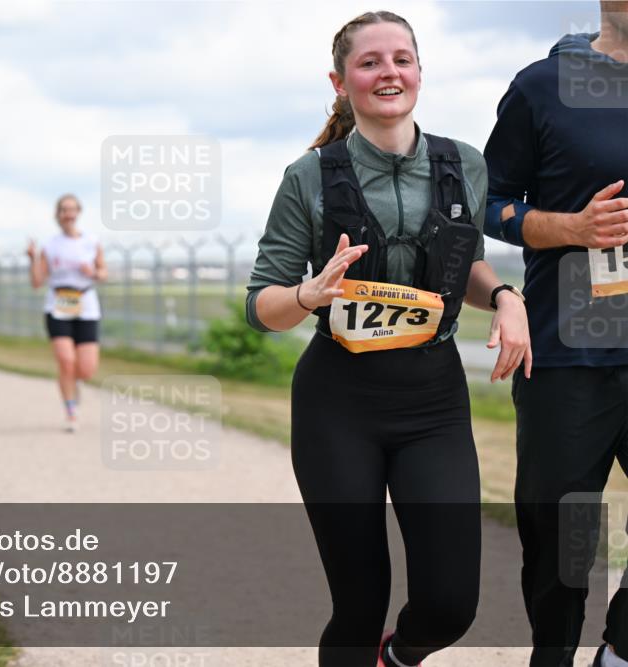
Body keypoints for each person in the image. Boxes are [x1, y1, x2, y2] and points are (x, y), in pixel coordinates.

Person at [246, 12, 532, 667]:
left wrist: (508, 298)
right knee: (359, 600)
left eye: (401, 59)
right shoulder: (309, 176)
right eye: (370, 62)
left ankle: (398, 657)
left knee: (452, 601)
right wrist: (306, 296)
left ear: (420, 72)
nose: (388, 72)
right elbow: (262, 304)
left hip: (432, 399)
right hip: (337, 400)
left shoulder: (464, 164)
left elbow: (463, 264)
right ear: (341, 80)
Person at [482, 4, 628, 665]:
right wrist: (572, 228)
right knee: (562, 533)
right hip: (569, 346)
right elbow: (492, 202)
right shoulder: (543, 86)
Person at [27, 194, 106, 432]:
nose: (68, 215)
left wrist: (92, 271)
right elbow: (37, 282)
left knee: (86, 369)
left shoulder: (91, 242)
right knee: (66, 361)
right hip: (58, 305)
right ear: (57, 215)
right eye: (63, 210)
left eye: (72, 210)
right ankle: (70, 410)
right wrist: (32, 259)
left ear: (78, 212)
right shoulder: (50, 246)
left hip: (86, 304)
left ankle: (74, 384)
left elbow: (104, 273)